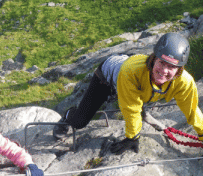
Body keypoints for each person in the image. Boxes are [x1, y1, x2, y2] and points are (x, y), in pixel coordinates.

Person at [53, 32, 203, 154]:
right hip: (106, 78)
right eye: (161, 62)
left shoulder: (184, 82)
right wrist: (132, 137)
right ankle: (68, 116)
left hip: (137, 87)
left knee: (138, 104)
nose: (164, 71)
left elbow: (192, 109)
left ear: (179, 69)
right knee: (80, 121)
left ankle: (142, 112)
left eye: (171, 67)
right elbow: (131, 108)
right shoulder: (132, 72)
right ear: (154, 59)